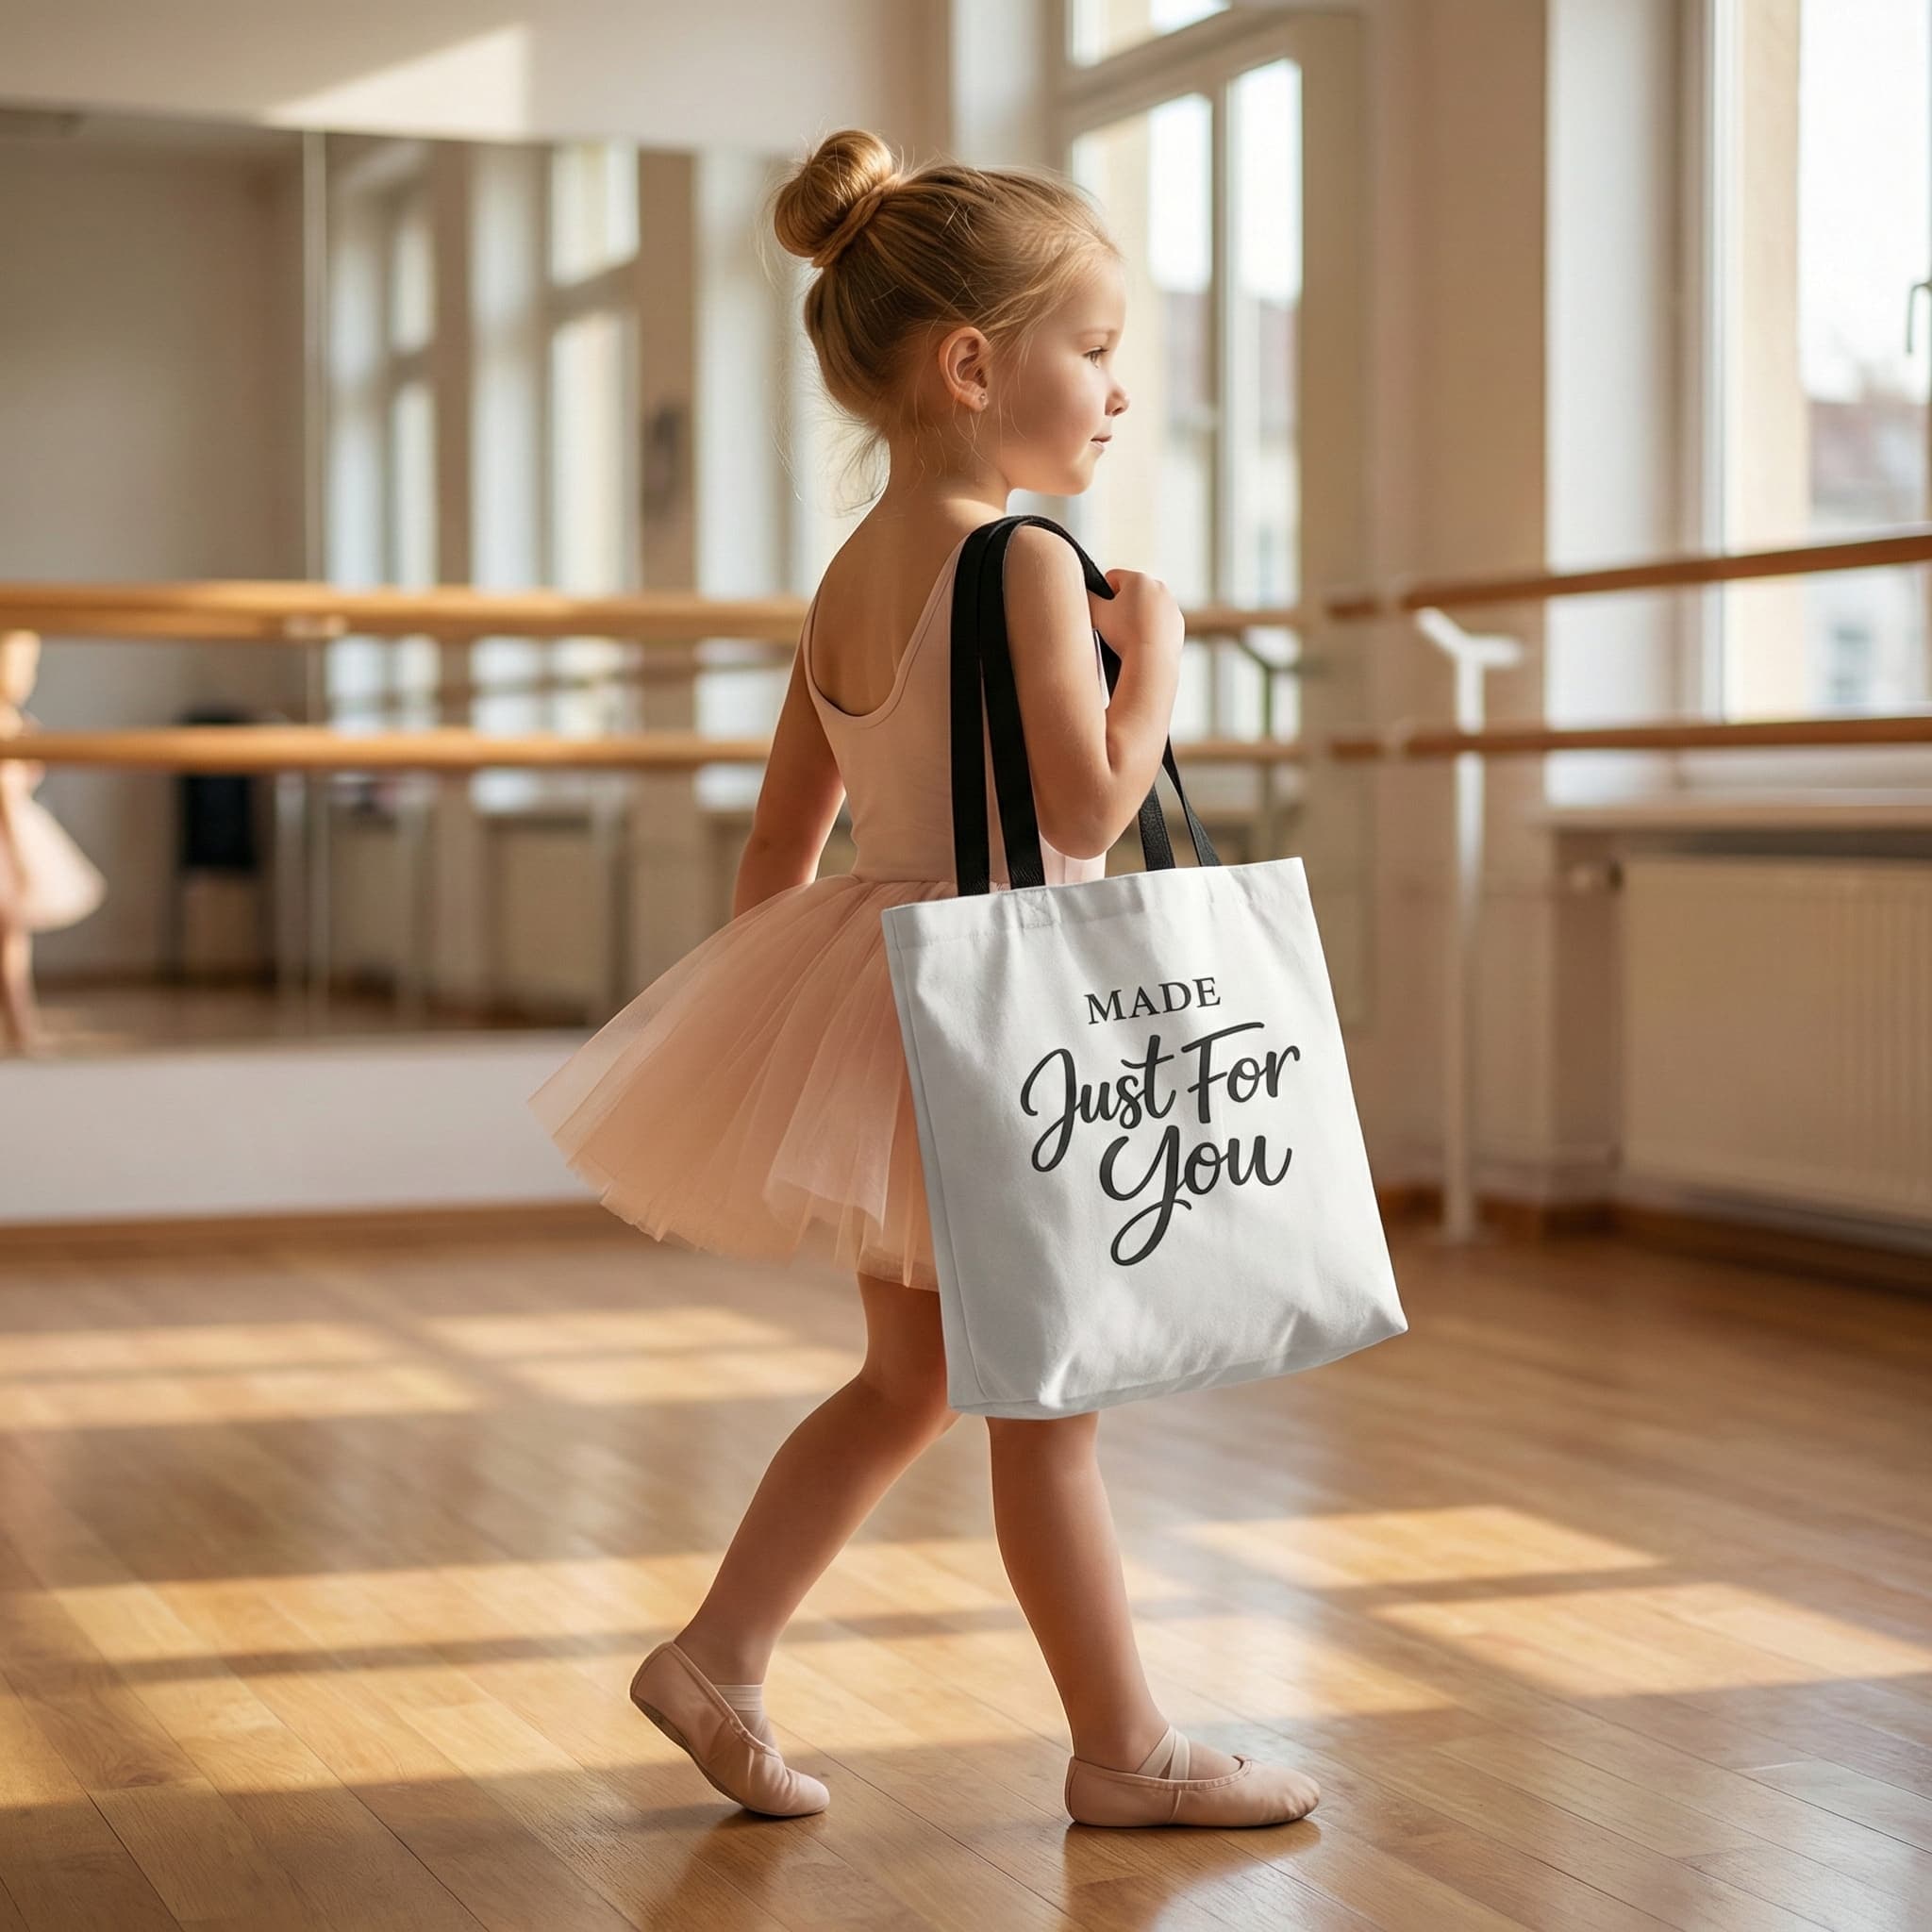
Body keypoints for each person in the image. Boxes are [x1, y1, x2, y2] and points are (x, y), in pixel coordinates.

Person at [527, 127, 1320, 1832]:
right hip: (1020, 1037)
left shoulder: (838, 585)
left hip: (896, 1006)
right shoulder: (1020, 560)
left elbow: (772, 859)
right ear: (975, 364)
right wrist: (1158, 663)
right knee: (1048, 1415)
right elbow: (1085, 806)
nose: (1115, 393)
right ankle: (1125, 1747)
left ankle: (719, 1651)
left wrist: (792, 1030)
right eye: (1094, 351)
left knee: (906, 1381)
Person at [0, 630, 107, 1056]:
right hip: (7, 837)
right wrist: (20, 857)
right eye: (18, 664)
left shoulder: (16, 717)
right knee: (10, 943)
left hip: (16, 829)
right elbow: (5, 794)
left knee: (13, 943)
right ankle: (22, 1028)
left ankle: (23, 1026)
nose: (26, 676)